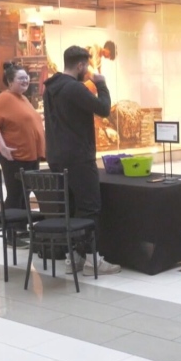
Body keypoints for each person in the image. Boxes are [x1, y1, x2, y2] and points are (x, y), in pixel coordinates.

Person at [43, 45, 121, 275]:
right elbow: (104, 109)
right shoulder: (73, 89)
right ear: (80, 65)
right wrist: (101, 84)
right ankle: (92, 260)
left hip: (57, 156)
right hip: (78, 157)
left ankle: (72, 258)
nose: (87, 69)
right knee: (89, 207)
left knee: (69, 206)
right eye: (85, 65)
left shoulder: (51, 88)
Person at [0, 62, 45, 211]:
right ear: (10, 81)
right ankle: (11, 229)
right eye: (21, 78)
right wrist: (2, 146)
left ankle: (22, 226)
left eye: (27, 77)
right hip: (15, 156)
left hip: (29, 156)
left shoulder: (23, 98)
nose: (26, 81)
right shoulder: (4, 98)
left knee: (24, 193)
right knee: (16, 193)